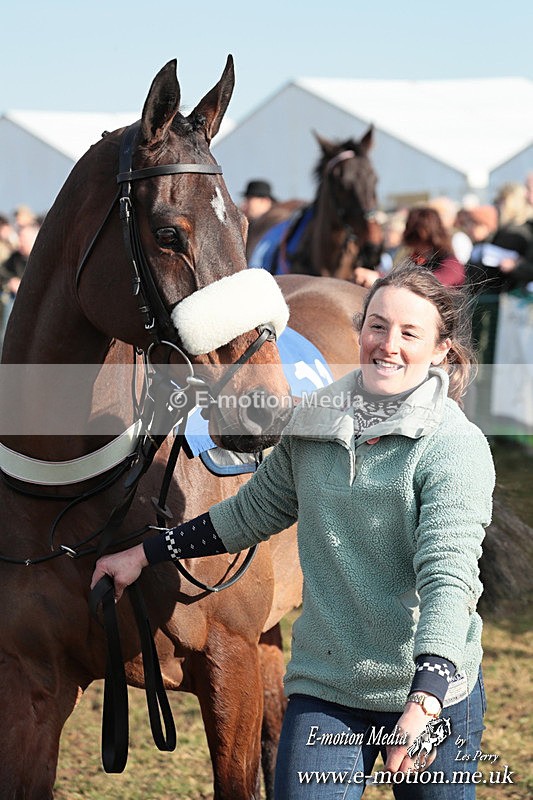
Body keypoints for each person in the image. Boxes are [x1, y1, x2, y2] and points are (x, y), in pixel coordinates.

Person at [92, 264, 495, 798]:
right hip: (327, 684)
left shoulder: (454, 447)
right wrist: (144, 554)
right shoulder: (315, 419)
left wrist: (425, 699)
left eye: (409, 333)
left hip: (427, 690)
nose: (388, 345)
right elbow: (250, 513)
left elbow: (449, 579)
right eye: (377, 326)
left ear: (441, 349)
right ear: (360, 331)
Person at [355, 206, 465, 290]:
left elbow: (432, 285)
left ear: (421, 234)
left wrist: (380, 279)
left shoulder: (451, 263)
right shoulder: (416, 260)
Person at [0, 221, 39, 348]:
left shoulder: (40, 259)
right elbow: (2, 273)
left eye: (22, 239)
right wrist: (11, 281)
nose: (19, 243)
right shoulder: (15, 257)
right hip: (14, 302)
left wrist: (23, 286)